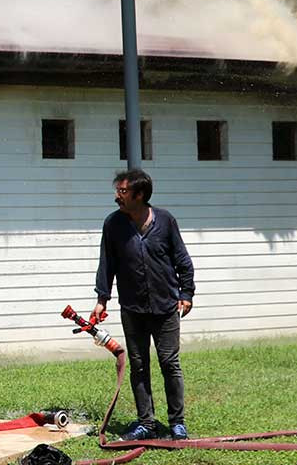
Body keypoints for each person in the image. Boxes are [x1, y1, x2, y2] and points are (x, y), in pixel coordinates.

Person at [93, 169, 195, 441]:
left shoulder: (165, 220)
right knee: (138, 365)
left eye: (123, 192)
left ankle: (177, 423)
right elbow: (107, 264)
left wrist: (187, 293)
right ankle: (146, 423)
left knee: (169, 363)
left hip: (165, 307)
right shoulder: (113, 224)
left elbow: (182, 259)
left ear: (140, 195)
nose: (117, 196)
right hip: (133, 308)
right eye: (118, 191)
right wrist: (102, 299)